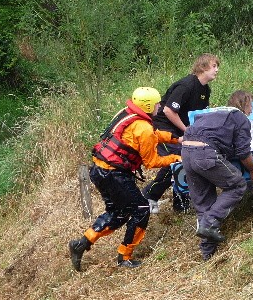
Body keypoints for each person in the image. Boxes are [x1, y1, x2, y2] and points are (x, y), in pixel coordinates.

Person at [68, 87, 182, 271]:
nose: (160, 106)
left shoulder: (127, 114)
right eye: (157, 104)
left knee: (118, 213)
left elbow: (152, 136)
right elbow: (152, 162)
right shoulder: (143, 127)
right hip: (114, 174)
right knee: (141, 209)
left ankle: (80, 244)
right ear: (147, 106)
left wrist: (177, 139)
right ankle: (124, 257)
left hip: (99, 170)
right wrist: (177, 158)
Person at [181, 90, 253, 260]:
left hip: (186, 153)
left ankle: (207, 253)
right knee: (237, 185)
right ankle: (210, 222)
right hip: (204, 153)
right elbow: (243, 152)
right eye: (251, 105)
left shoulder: (212, 113)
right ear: (245, 103)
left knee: (204, 201)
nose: (252, 110)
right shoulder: (239, 117)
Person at [143, 53, 220, 213]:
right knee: (177, 162)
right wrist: (187, 131)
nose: (217, 70)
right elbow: (168, 110)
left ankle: (180, 203)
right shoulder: (187, 85)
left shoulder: (205, 89)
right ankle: (149, 196)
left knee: (188, 159)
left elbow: (199, 115)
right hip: (163, 127)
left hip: (180, 129)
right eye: (214, 66)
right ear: (203, 67)